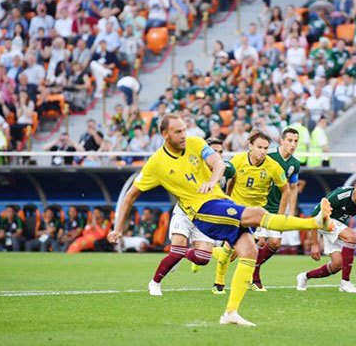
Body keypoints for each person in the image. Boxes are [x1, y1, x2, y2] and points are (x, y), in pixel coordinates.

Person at [107, 114, 333, 326]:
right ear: (165, 134)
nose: (184, 135)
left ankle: (230, 313)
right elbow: (130, 197)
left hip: (219, 200)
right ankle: (315, 222)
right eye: (178, 132)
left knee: (249, 252)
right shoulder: (156, 163)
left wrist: (212, 182)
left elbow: (218, 163)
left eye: (184, 130)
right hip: (200, 210)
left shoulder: (195, 143)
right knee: (257, 214)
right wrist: (118, 228)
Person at [213, 129, 291, 293]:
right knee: (233, 246)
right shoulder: (239, 160)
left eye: (265, 148)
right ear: (250, 146)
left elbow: (286, 190)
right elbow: (229, 175)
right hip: (236, 210)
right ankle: (218, 283)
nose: (263, 151)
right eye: (259, 147)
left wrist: (280, 216)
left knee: (243, 250)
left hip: (256, 214)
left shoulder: (273, 167)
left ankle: (208, 253)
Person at [156, 138, 235, 284]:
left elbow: (234, 175)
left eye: (220, 152)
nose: (217, 155)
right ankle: (158, 279)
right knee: (177, 246)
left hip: (206, 215)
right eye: (214, 151)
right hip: (185, 212)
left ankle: (182, 254)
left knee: (203, 259)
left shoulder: (226, 168)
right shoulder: (192, 167)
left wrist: (228, 195)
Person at [296, 175, 356, 294]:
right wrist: (315, 244)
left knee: (338, 264)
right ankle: (345, 283)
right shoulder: (340, 195)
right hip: (323, 221)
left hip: (337, 227)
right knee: (352, 236)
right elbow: (314, 215)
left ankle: (304, 276)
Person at [250, 128, 301, 291]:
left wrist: (291, 212)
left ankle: (253, 274)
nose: (293, 144)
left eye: (296, 141)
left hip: (276, 208)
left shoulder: (294, 164)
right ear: (281, 141)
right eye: (290, 140)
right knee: (255, 243)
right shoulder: (268, 156)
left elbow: (293, 188)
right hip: (259, 206)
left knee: (275, 243)